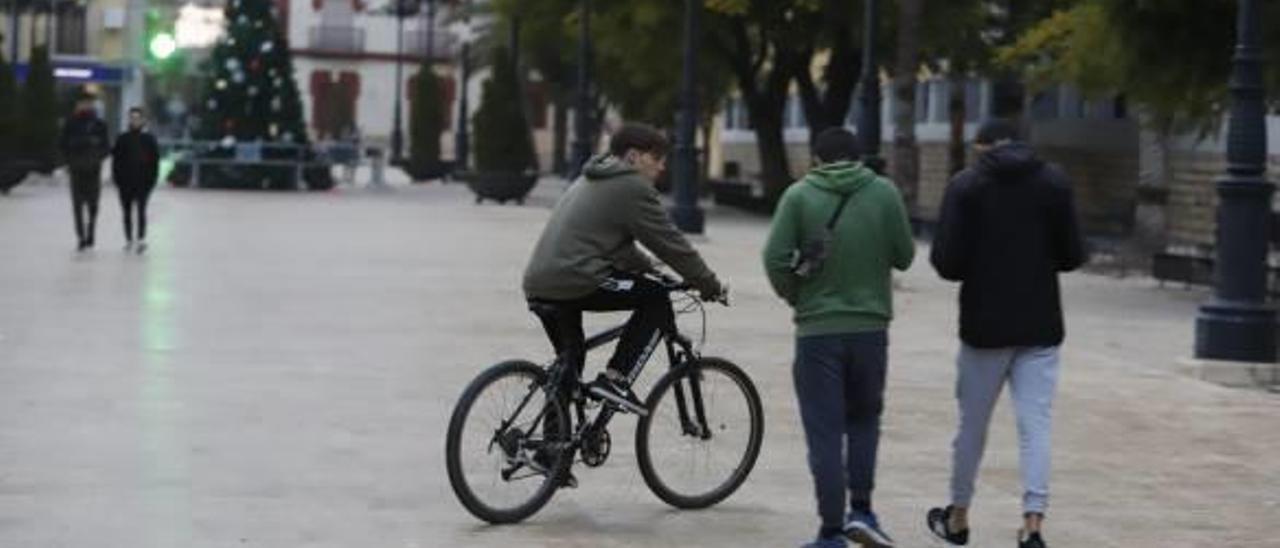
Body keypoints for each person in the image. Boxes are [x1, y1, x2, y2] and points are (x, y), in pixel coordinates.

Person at [925, 119, 1087, 548]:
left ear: (982, 147)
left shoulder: (967, 185)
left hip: (983, 326)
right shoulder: (1054, 182)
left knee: (972, 426)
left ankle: (958, 516)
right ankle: (1033, 524)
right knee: (1036, 427)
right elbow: (1072, 255)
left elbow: (947, 263)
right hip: (1041, 325)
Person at [762, 127, 915, 548]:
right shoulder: (883, 192)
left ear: (816, 159)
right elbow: (904, 255)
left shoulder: (798, 196)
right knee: (865, 420)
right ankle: (862, 512)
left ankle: (831, 532)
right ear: (859, 157)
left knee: (824, 431)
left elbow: (774, 258)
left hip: (817, 333)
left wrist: (799, 297)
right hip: (871, 329)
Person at [523, 123, 725, 415]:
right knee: (655, 297)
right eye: (656, 159)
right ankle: (615, 380)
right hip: (577, 277)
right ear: (633, 157)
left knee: (570, 361)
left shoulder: (592, 177)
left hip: (539, 281)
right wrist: (708, 284)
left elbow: (618, 246)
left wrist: (651, 269)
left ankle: (552, 450)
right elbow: (672, 243)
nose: (662, 167)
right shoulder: (631, 186)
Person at [60, 91, 110, 251]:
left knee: (93, 204)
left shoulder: (99, 124)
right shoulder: (71, 123)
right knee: (77, 204)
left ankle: (91, 231)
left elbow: (106, 147)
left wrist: (98, 157)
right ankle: (80, 236)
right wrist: (71, 158)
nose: (86, 106)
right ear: (78, 105)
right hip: (76, 169)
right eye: (83, 103)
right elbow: (62, 144)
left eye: (89, 103)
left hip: (93, 170)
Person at [111, 107, 161, 253]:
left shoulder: (149, 139)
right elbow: (116, 161)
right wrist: (117, 179)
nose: (135, 121)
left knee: (141, 210)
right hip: (125, 183)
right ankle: (128, 239)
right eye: (132, 118)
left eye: (138, 118)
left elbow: (155, 161)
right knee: (126, 212)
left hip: (143, 182)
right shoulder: (122, 138)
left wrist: (152, 180)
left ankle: (141, 238)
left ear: (143, 120)